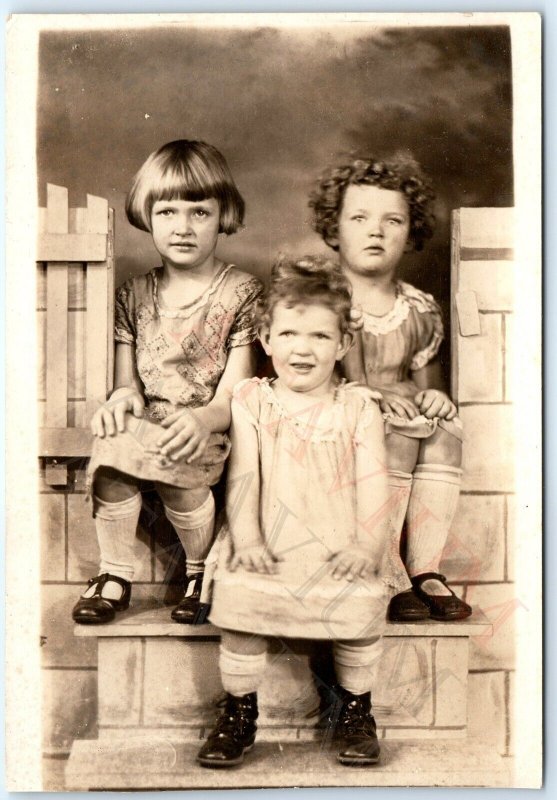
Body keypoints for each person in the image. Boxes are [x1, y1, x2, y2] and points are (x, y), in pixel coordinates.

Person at [197, 256, 403, 769]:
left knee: (359, 607)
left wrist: (366, 545)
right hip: (270, 537)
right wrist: (246, 540)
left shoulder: (358, 407)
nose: (302, 348)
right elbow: (244, 475)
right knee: (241, 601)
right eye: (288, 333)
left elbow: (375, 483)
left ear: (343, 345)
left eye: (317, 336)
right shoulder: (253, 400)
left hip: (341, 542)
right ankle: (240, 709)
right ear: (265, 339)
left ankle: (357, 708)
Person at [72, 139, 262, 625]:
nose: (182, 227)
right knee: (113, 443)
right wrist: (120, 402)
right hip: (150, 424)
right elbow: (126, 385)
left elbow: (234, 396)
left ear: (223, 215)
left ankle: (200, 568)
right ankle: (114, 571)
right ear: (147, 215)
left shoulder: (242, 291)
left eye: (199, 212)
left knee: (174, 462)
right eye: (168, 212)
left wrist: (200, 420)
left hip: (207, 428)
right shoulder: (133, 294)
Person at [309, 154, 472, 622]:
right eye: (360, 218)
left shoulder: (419, 308)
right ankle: (386, 563)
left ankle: (425, 567)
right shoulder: (323, 298)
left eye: (392, 220)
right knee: (396, 430)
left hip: (397, 413)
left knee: (444, 429)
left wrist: (434, 400)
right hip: (335, 414)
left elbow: (427, 385)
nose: (375, 231)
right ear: (334, 227)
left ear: (410, 231)